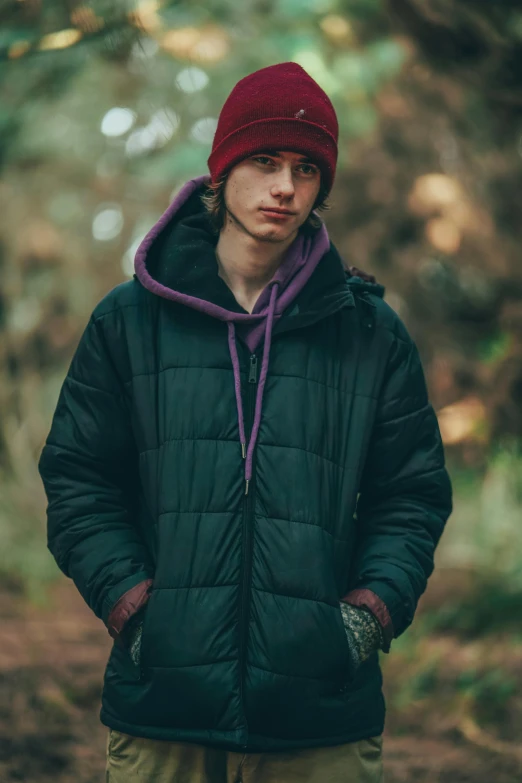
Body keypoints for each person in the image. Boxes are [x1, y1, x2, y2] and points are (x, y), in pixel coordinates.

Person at [38, 62, 452, 782]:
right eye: (264, 161)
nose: (285, 187)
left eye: (306, 169)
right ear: (221, 168)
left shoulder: (369, 332)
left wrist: (364, 618)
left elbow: (412, 494)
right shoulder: (128, 321)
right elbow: (79, 477)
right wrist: (135, 611)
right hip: (163, 709)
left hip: (320, 720)